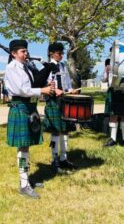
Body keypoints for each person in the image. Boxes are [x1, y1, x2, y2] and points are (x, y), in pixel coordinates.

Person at [4, 39, 57, 199]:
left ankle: (27, 179)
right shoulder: (11, 68)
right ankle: (23, 184)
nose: (26, 54)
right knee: (22, 147)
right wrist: (43, 90)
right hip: (20, 107)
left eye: (26, 51)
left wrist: (47, 80)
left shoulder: (26, 66)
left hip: (30, 108)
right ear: (14, 54)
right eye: (23, 51)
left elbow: (34, 82)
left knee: (26, 147)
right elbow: (22, 89)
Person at [43, 42, 79, 173]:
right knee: (55, 130)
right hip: (53, 100)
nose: (61, 55)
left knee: (65, 129)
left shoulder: (63, 66)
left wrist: (71, 90)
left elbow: (67, 82)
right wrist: (54, 89)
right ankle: (55, 160)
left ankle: (64, 158)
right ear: (51, 53)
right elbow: (45, 82)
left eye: (62, 53)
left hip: (64, 99)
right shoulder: (47, 66)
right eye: (59, 53)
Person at [102, 48, 124, 148]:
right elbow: (103, 80)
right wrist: (107, 72)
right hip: (114, 90)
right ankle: (112, 139)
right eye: (112, 52)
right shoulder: (108, 63)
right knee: (113, 115)